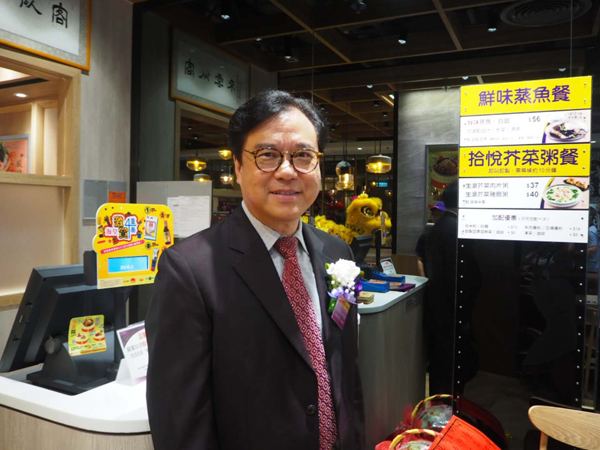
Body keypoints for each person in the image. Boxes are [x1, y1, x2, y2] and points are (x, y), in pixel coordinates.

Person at [146, 90, 365, 450]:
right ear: (237, 166)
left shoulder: (339, 253)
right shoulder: (189, 270)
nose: (287, 171)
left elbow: (345, 367)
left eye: (303, 156)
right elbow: (179, 420)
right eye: (267, 155)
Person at [414, 201, 445, 277]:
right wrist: (424, 279)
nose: (436, 218)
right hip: (429, 277)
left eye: (439, 214)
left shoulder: (450, 234)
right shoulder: (426, 235)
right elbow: (419, 260)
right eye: (434, 214)